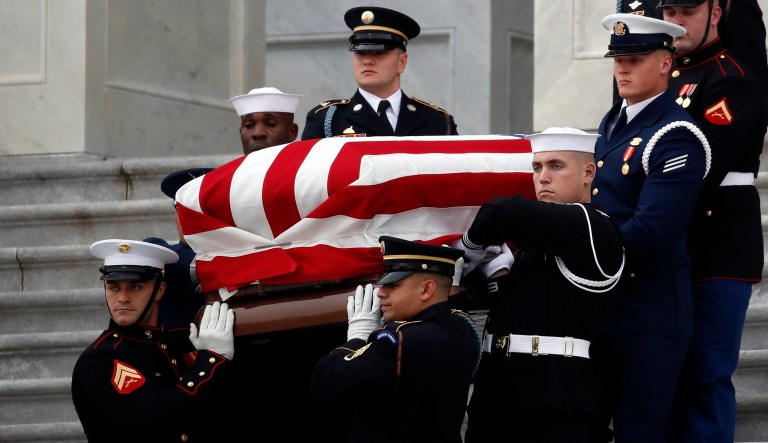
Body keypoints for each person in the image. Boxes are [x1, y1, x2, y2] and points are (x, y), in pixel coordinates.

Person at [451, 127, 625, 443]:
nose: (542, 177)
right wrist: (497, 277)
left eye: (555, 166)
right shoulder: (536, 245)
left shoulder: (593, 227)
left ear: (589, 173)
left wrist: (469, 248)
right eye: (536, 167)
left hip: (553, 398)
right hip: (498, 392)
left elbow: (501, 211)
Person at [590, 13, 711, 442]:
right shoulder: (613, 122)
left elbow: (651, 232)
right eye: (617, 58)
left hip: (649, 316)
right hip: (606, 308)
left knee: (640, 432)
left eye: (636, 58)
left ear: (665, 62)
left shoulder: (675, 134)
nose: (622, 67)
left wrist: (578, 249)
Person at [659, 1, 768, 441]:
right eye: (669, 11)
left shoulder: (732, 79)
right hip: (667, 242)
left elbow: (699, 167)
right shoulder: (656, 76)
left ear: (716, 13)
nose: (677, 21)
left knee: (706, 371)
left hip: (718, 241)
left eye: (688, 10)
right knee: (664, 370)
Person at [311, 236, 481, 443]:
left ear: (427, 289)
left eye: (393, 285)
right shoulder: (463, 327)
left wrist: (358, 338)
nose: (381, 293)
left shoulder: (398, 341)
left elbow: (325, 383)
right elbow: (451, 308)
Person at [71, 239, 236, 442]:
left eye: (136, 287)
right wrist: (211, 361)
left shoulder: (174, 342)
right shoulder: (100, 360)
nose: (122, 298)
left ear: (160, 290)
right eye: (114, 288)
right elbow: (158, 418)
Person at [301, 6, 459, 139]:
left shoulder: (437, 122)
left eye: (378, 53)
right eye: (360, 53)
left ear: (401, 62)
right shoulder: (327, 119)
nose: (367, 61)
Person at [144, 167, 214, 329]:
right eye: (186, 211)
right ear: (176, 221)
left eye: (203, 211)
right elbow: (153, 255)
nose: (194, 220)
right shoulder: (163, 255)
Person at [229, 86, 301, 155]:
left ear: (292, 132)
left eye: (270, 124)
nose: (258, 133)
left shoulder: (306, 167)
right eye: (249, 125)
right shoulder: (231, 168)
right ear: (240, 132)